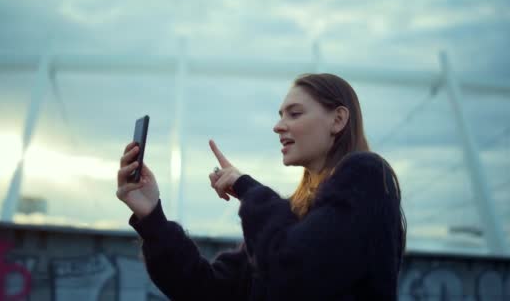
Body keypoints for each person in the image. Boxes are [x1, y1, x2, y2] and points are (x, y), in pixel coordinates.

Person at [116, 73, 407, 300]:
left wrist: (245, 186)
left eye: (294, 114)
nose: (278, 126)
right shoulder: (294, 217)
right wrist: (151, 217)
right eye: (280, 115)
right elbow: (207, 290)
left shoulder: (367, 174)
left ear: (338, 119)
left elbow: (296, 271)